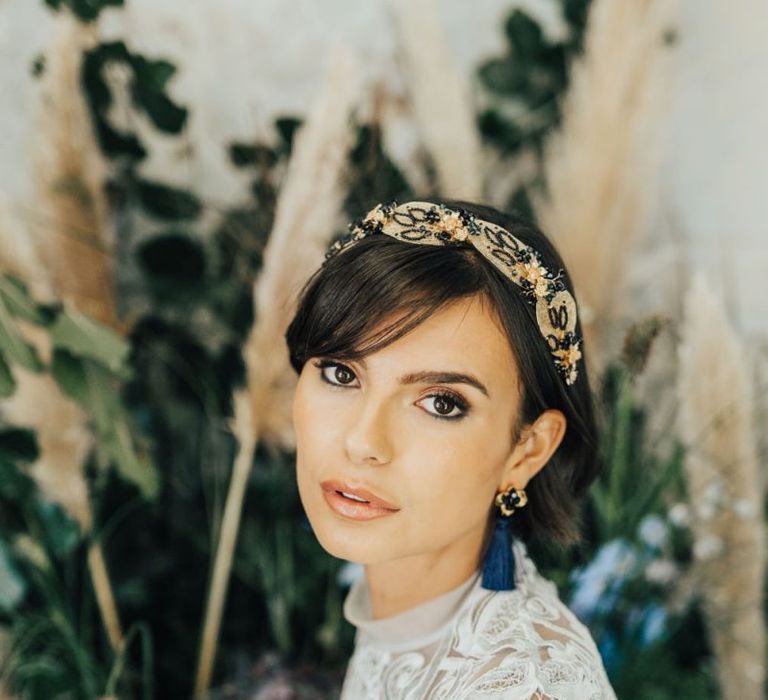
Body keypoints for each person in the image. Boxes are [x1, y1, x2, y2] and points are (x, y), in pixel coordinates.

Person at [285, 199, 616, 698]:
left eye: (441, 403)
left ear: (526, 451)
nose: (362, 442)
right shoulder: (409, 616)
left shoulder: (521, 686)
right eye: (341, 373)